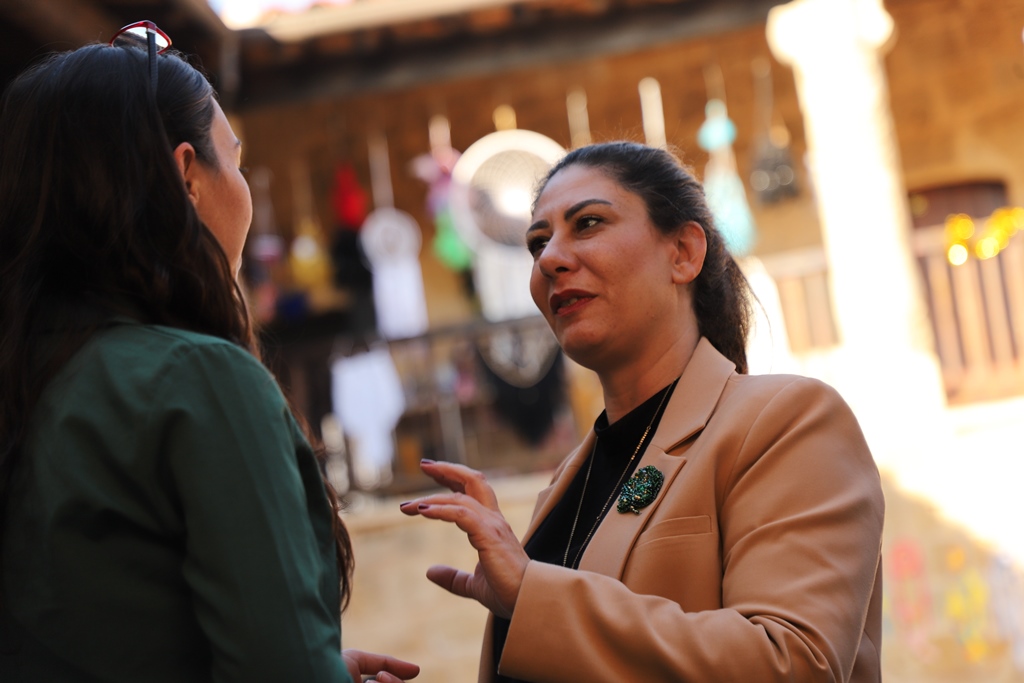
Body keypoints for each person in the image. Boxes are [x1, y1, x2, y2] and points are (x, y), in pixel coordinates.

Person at [0, 23, 418, 683]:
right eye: (237, 162)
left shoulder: (29, 376)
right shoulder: (198, 380)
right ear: (186, 176)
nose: (242, 188)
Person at [400, 141, 884, 682]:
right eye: (538, 242)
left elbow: (792, 663)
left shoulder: (787, 421)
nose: (550, 258)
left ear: (683, 253)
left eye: (587, 223)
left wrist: (534, 594)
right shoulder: (566, 484)